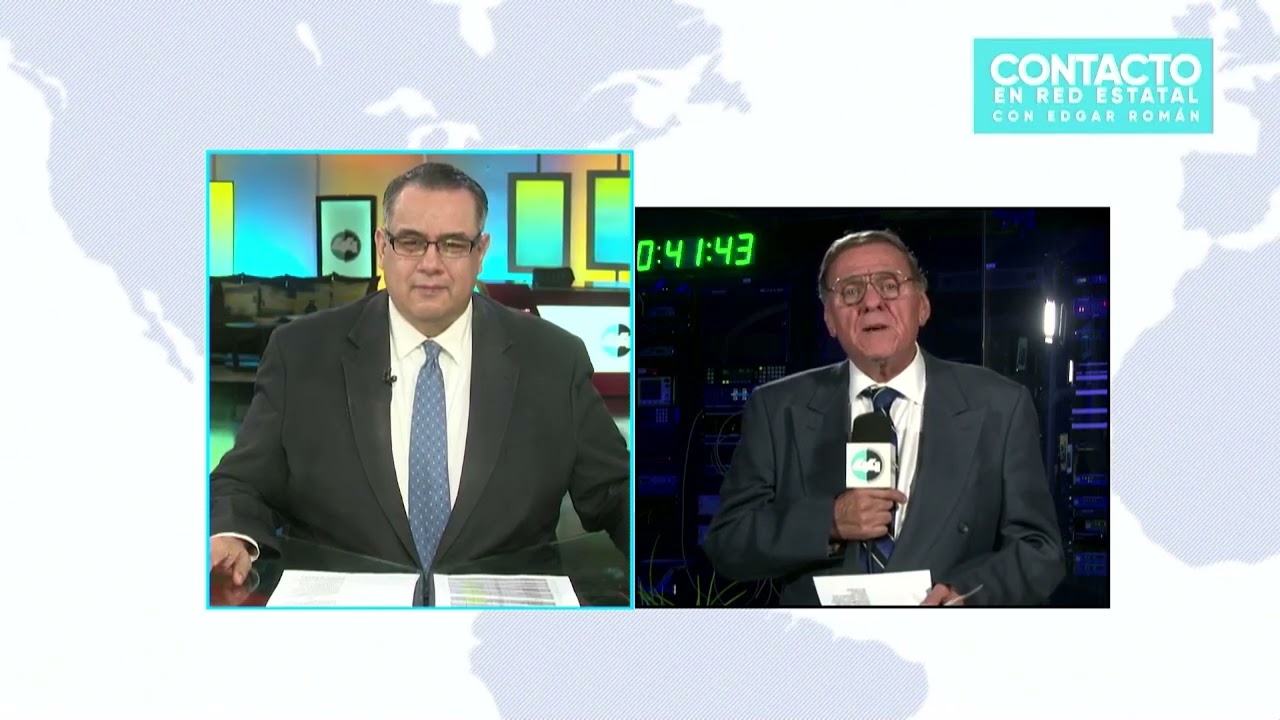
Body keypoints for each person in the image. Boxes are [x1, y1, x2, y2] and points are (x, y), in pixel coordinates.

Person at [209, 162, 630, 587]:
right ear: (382, 246)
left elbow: (616, 490)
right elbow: (242, 482)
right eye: (410, 242)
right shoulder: (301, 353)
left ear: (481, 251)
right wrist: (231, 534)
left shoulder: (554, 359)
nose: (431, 263)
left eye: (453, 244)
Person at [703, 230, 1064, 606]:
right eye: (850, 291)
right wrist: (828, 522)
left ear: (922, 306)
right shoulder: (776, 408)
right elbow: (727, 542)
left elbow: (1040, 550)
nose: (871, 302)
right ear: (829, 319)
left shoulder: (1000, 405)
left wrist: (966, 593)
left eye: (889, 285)